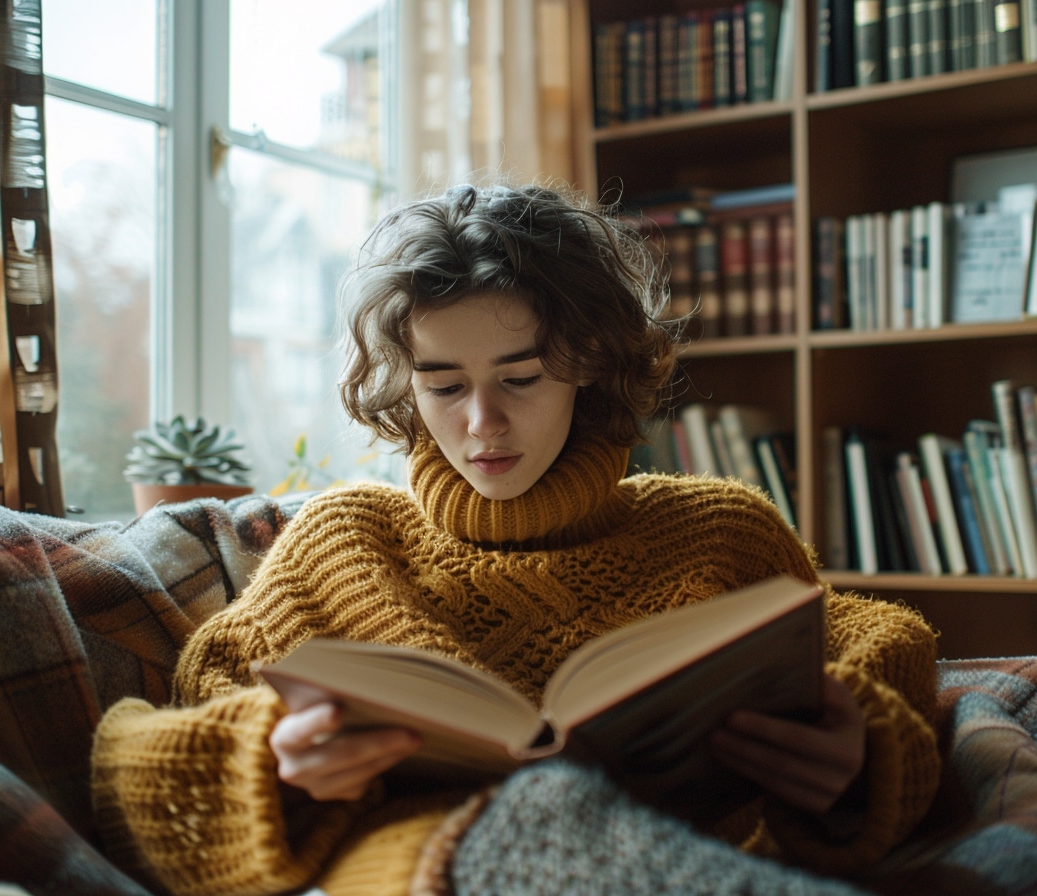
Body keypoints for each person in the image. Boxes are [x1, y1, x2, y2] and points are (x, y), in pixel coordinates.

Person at [90, 183, 942, 896]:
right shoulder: (345, 544)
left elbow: (879, 645)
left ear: (593, 361)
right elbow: (143, 761)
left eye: (521, 378)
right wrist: (267, 767)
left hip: (700, 871)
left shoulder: (721, 530)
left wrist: (861, 751)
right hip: (432, 870)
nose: (481, 423)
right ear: (404, 388)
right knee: (539, 815)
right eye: (443, 384)